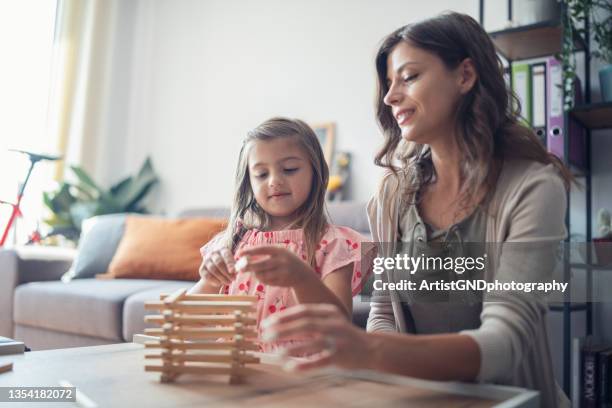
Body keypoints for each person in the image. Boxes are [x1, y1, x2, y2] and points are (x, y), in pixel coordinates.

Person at [261, 12, 572, 407]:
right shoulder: (392, 192)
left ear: (465, 75)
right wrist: (368, 354)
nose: (390, 97)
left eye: (408, 77)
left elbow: (504, 342)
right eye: (389, 84)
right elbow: (385, 313)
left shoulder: (533, 188)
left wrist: (369, 350)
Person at [188, 117, 370, 352]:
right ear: (248, 182)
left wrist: (302, 278)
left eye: (290, 169)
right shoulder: (232, 243)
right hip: (239, 370)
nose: (275, 181)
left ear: (317, 172)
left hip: (302, 373)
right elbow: (190, 318)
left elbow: (340, 326)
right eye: (262, 174)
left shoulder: (334, 245)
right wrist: (209, 280)